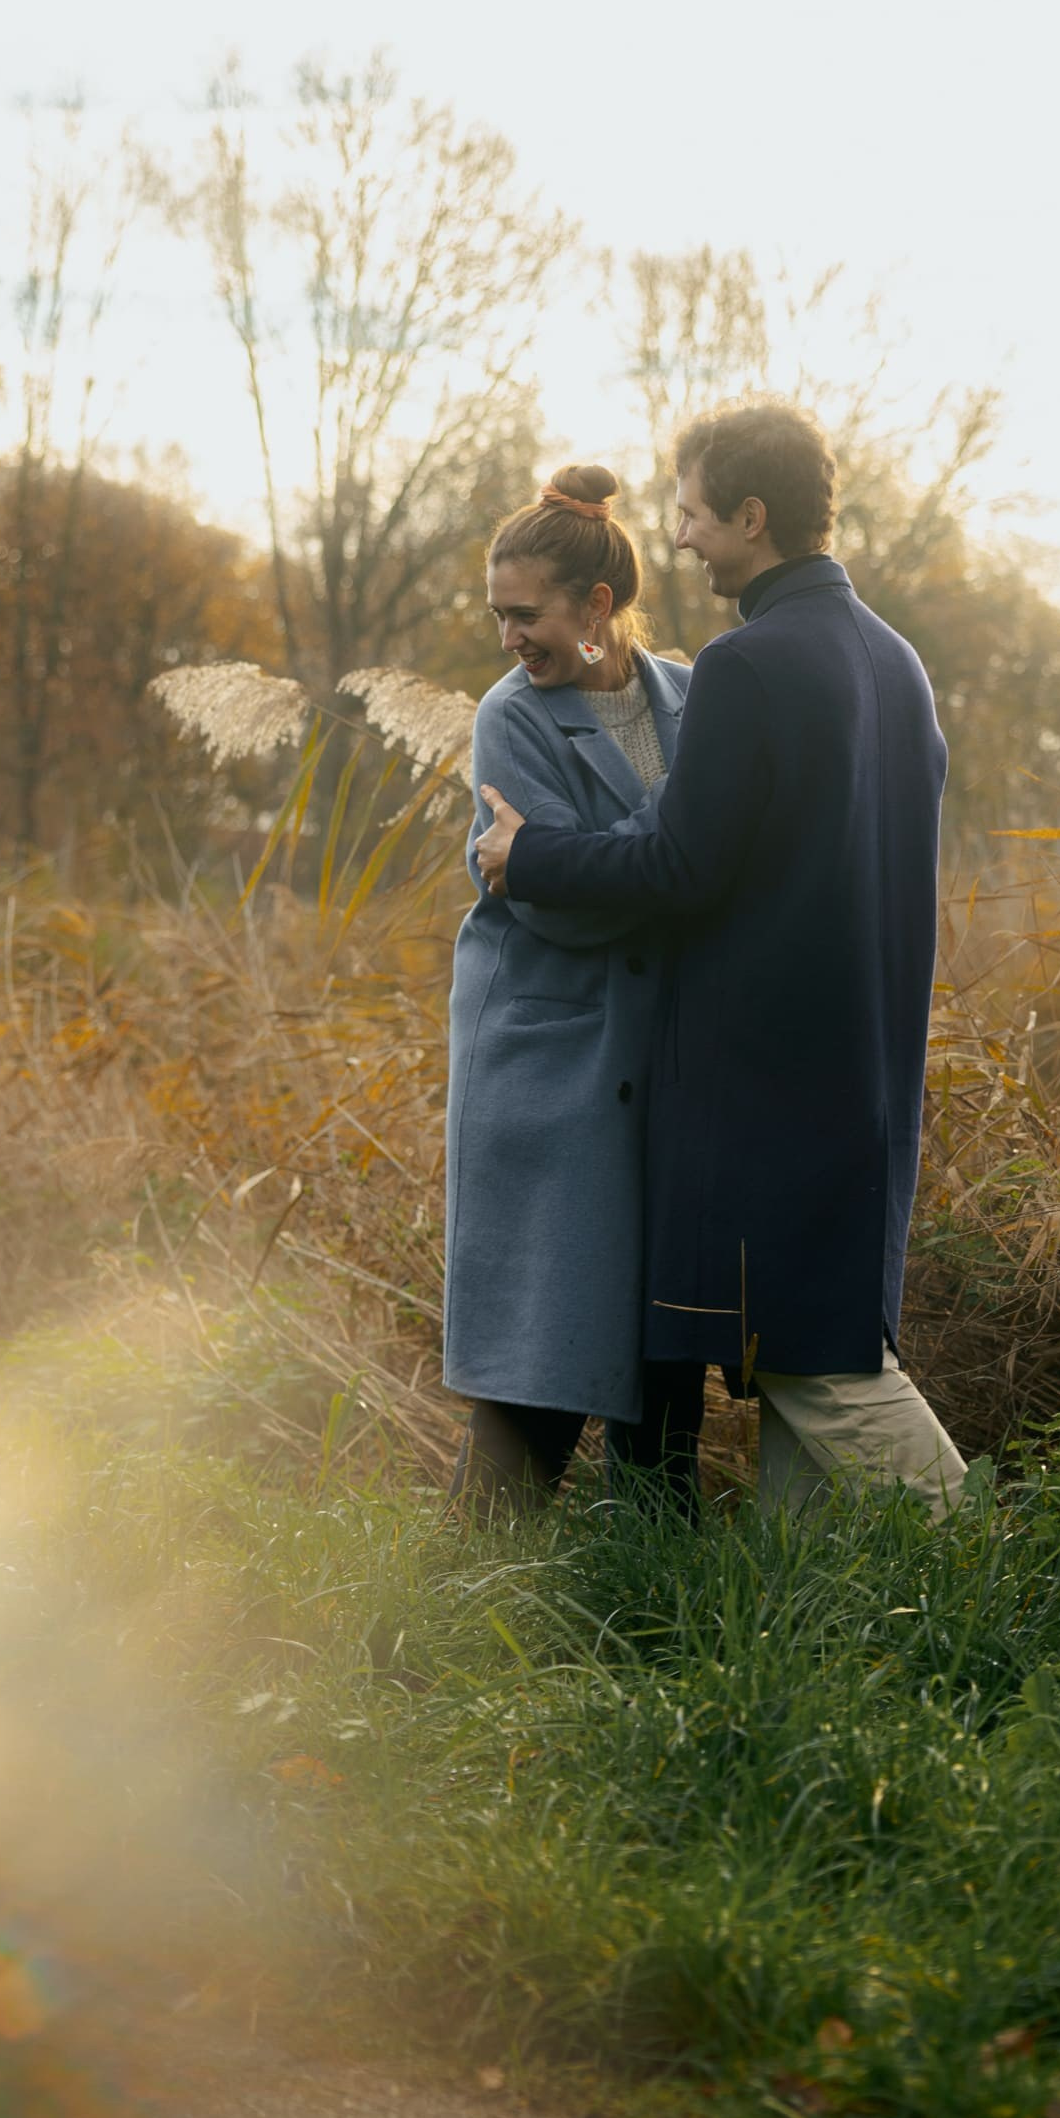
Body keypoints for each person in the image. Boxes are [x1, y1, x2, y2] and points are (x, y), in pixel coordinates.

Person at [474, 400, 967, 1518]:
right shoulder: (895, 662)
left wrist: (529, 854)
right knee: (811, 1357)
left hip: (763, 1087)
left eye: (694, 514)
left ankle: (993, 1558)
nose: (682, 538)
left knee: (814, 1361)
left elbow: (681, 868)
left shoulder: (746, 665)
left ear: (752, 514)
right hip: (869, 1074)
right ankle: (799, 1628)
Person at [443, 463, 690, 1513]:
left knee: (664, 1357)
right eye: (497, 615)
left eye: (523, 613)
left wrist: (616, 856)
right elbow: (562, 902)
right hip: (550, 1074)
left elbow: (653, 865)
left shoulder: (696, 695)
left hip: (670, 1064)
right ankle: (449, 1619)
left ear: (596, 607)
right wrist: (682, 855)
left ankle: (650, 1620)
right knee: (535, 1359)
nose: (508, 639)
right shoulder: (509, 719)